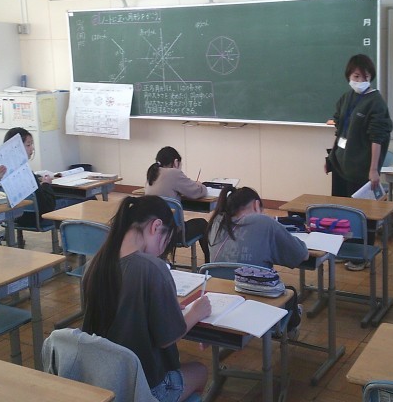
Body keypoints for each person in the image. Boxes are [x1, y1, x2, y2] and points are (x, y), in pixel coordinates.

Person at [82, 195, 211, 401]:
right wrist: (196, 312)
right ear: (156, 226)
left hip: (104, 381)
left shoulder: (94, 265)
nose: (161, 251)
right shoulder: (152, 268)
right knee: (201, 371)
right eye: (165, 242)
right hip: (144, 388)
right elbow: (168, 339)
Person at [206, 186, 308, 335]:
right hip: (256, 301)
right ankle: (289, 329)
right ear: (256, 205)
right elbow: (301, 255)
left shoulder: (216, 221)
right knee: (290, 292)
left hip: (220, 300)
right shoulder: (263, 222)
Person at [326, 54, 392, 270]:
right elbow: (340, 130)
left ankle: (361, 255)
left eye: (365, 77)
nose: (360, 80)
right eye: (356, 76)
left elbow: (377, 138)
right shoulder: (346, 98)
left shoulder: (376, 102)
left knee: (362, 213)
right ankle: (344, 249)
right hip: (341, 164)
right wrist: (331, 159)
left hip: (361, 169)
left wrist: (373, 170)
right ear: (349, 76)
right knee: (342, 211)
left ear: (371, 77)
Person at [145, 146, 210, 263]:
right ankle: (210, 263)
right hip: (173, 233)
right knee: (203, 224)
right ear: (176, 162)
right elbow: (197, 192)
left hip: (153, 232)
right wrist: (201, 185)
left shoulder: (152, 174)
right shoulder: (174, 173)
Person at [3, 127, 56, 229]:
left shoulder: (1, 172)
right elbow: (46, 207)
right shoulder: (26, 174)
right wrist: (46, 184)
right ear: (16, 147)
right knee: (78, 201)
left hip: (13, 217)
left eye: (32, 144)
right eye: (28, 145)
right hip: (36, 218)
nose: (32, 148)